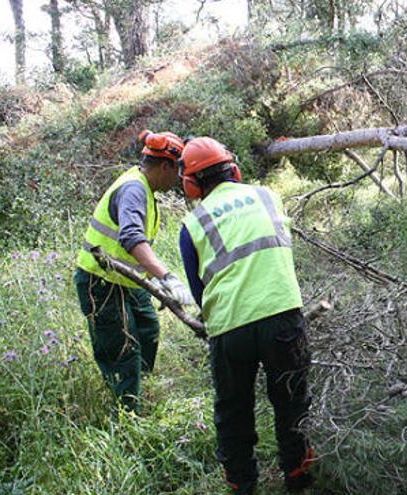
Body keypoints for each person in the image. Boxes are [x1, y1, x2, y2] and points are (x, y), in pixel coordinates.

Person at [177, 137, 315, 494]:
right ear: (233, 169)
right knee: (292, 401)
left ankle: (242, 484)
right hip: (282, 315)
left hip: (229, 329)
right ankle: (299, 478)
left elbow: (198, 291)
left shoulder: (193, 224)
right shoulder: (269, 196)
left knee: (234, 411)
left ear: (191, 185)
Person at [74, 130, 194, 412]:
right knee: (123, 350)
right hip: (100, 281)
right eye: (177, 171)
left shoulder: (144, 188)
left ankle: (139, 392)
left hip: (127, 281)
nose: (178, 179)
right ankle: (127, 414)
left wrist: (157, 283)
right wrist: (166, 277)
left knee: (148, 329)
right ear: (166, 166)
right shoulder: (134, 189)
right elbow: (131, 238)